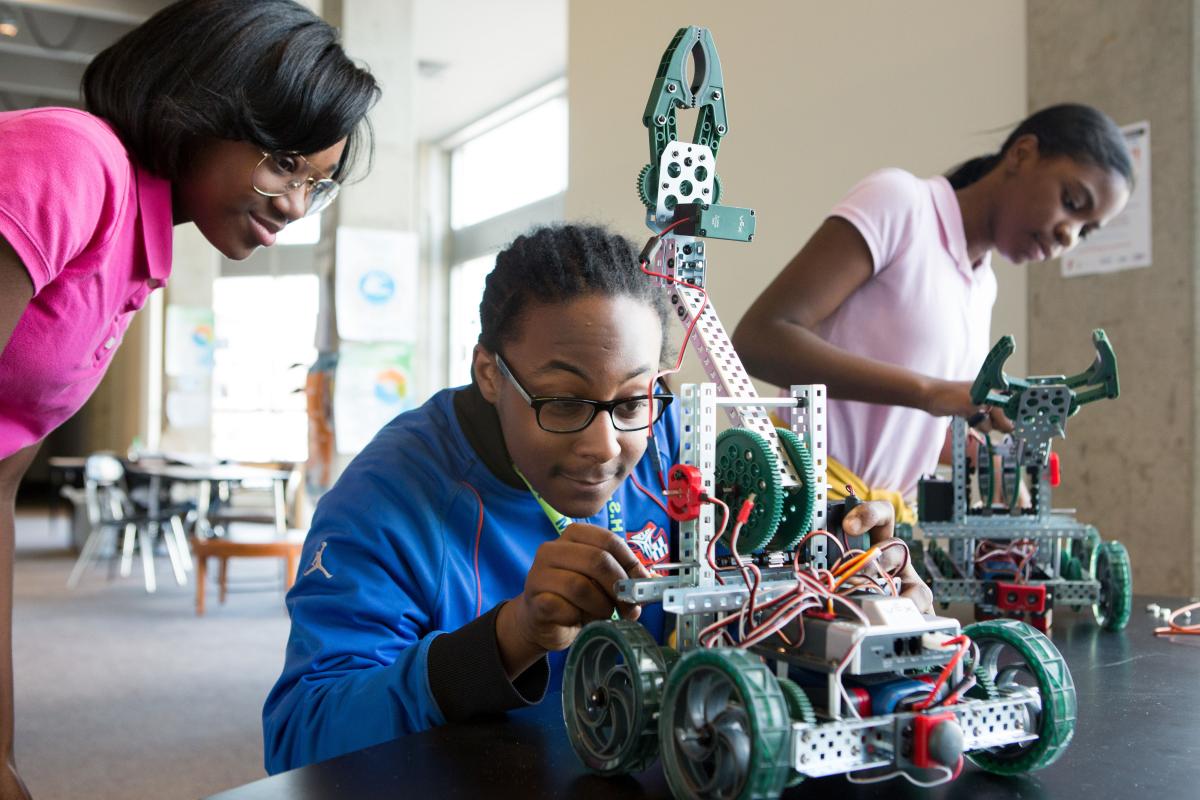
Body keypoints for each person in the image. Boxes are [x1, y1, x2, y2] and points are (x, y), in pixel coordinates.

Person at [261, 223, 923, 773]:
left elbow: (748, 638)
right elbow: (302, 740)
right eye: (566, 401)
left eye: (632, 398)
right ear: (490, 372)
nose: (605, 445)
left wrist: (848, 580)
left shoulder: (670, 442)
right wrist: (508, 638)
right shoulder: (388, 499)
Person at [0, 1, 379, 796]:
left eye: (317, 183)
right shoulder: (77, 161)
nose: (295, 207)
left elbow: (1, 479)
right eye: (283, 163)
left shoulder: (137, 257)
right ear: (199, 106)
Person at [732, 103, 1132, 520]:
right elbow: (758, 339)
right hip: (803, 508)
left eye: (1086, 231)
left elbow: (892, 427)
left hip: (880, 529)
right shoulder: (902, 203)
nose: (1068, 234)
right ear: (1022, 154)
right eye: (1071, 201)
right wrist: (932, 391)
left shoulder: (983, 285)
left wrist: (980, 457)